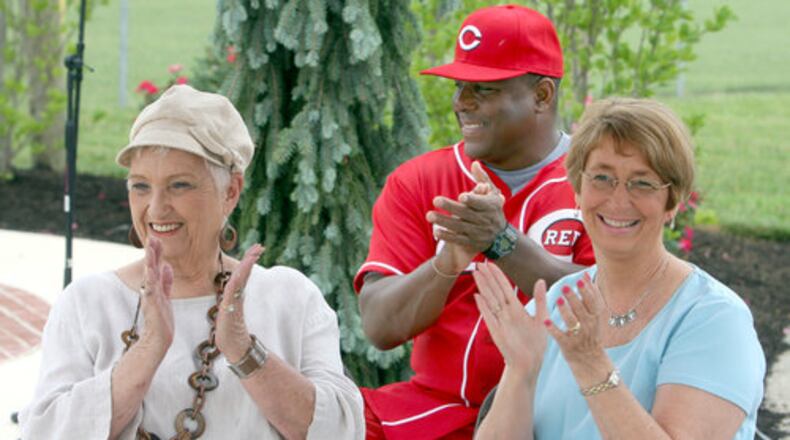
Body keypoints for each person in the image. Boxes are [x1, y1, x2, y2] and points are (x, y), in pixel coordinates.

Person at [20, 85, 364, 439]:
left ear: (230, 191)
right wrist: (150, 347)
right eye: (140, 186)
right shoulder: (88, 302)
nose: (155, 208)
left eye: (179, 185)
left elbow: (341, 430)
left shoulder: (290, 298)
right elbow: (43, 433)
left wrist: (244, 351)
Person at [354, 5, 595, 438]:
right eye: (459, 86)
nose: (461, 103)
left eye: (483, 88)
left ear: (542, 95)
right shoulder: (420, 182)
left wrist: (502, 243)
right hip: (438, 408)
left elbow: (623, 305)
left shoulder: (599, 182)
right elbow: (379, 325)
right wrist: (446, 264)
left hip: (562, 414)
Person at [473, 97, 765, 439]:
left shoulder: (713, 319)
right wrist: (520, 372)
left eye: (642, 182)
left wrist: (590, 363)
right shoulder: (553, 305)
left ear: (672, 203)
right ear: (578, 192)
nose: (618, 199)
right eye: (601, 178)